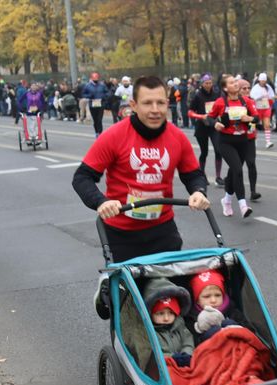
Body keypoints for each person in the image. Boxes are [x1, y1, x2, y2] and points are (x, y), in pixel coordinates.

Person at [71, 75, 210, 319]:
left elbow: (193, 174)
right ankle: (109, 287)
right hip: (121, 233)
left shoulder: (177, 137)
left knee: (171, 299)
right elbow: (82, 178)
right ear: (133, 105)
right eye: (147, 103)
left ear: (168, 104)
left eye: (160, 103)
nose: (155, 110)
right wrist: (102, 202)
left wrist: (199, 192)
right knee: (129, 307)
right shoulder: (114, 135)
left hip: (162, 229)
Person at [207, 75, 259, 218]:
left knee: (233, 173)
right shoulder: (220, 102)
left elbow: (256, 118)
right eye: (232, 83)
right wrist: (215, 124)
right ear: (225, 88)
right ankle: (243, 205)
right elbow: (209, 118)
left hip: (243, 141)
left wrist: (249, 119)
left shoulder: (246, 101)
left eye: (236, 82)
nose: (236, 84)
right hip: (226, 141)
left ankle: (227, 200)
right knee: (238, 170)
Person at [186, 269, 248, 343]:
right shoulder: (192, 319)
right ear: (197, 300)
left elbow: (250, 331)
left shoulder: (232, 311)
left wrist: (235, 327)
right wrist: (205, 337)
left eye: (218, 295)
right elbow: (192, 344)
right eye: (207, 296)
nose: (213, 300)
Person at [144, 278, 195, 366]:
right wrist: (173, 358)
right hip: (164, 366)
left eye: (171, 313)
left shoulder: (179, 325)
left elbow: (188, 341)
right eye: (160, 313)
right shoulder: (148, 332)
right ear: (151, 314)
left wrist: (186, 353)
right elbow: (150, 354)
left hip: (185, 361)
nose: (166, 318)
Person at [188, 73, 224, 186]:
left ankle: (218, 177)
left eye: (210, 83)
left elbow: (222, 105)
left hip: (214, 125)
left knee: (219, 150)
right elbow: (190, 112)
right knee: (204, 152)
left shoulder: (217, 93)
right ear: (202, 84)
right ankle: (202, 175)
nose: (208, 85)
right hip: (202, 127)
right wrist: (200, 116)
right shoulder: (198, 96)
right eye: (206, 83)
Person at [239, 79, 260, 200]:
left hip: (250, 138)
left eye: (248, 88)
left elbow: (256, 118)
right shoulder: (233, 102)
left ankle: (253, 191)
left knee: (251, 163)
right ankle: (230, 188)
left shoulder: (251, 101)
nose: (247, 90)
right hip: (237, 138)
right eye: (244, 88)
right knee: (236, 167)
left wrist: (251, 118)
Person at [250, 72, 275, 149]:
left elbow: (272, 96)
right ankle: (253, 140)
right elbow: (252, 97)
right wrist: (260, 96)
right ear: (259, 80)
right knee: (254, 125)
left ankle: (268, 142)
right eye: (262, 80)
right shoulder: (255, 88)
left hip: (266, 108)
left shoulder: (268, 87)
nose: (264, 82)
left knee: (267, 124)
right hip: (257, 108)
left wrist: (270, 98)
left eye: (265, 80)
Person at [83, 72, 109, 137]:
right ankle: (96, 132)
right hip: (92, 104)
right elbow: (83, 94)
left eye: (96, 79)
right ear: (91, 79)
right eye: (94, 79)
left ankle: (100, 133)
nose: (95, 80)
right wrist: (89, 96)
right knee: (95, 119)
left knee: (99, 119)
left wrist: (104, 97)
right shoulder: (87, 86)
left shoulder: (102, 85)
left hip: (100, 104)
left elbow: (107, 93)